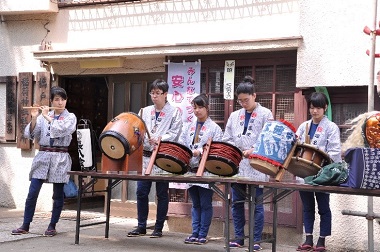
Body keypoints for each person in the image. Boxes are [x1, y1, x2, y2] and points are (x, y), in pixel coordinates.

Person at [11, 86, 77, 237]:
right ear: (52, 101)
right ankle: (25, 225)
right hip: (43, 156)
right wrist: (35, 117)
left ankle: (52, 225)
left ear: (66, 101)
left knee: (57, 194)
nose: (60, 102)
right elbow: (31, 134)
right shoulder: (42, 117)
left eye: (63, 99)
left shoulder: (70, 117)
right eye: (56, 99)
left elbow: (62, 129)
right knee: (32, 192)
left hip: (60, 157)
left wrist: (47, 116)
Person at [222, 76, 273, 250]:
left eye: (246, 100)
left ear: (254, 96)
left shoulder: (266, 114)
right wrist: (234, 150)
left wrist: (254, 149)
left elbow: (269, 138)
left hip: (257, 165)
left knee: (257, 204)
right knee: (236, 203)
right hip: (237, 165)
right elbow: (226, 138)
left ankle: (256, 239)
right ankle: (239, 237)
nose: (243, 103)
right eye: (240, 101)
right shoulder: (235, 115)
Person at [127, 79, 182, 238]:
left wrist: (160, 138)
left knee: (162, 193)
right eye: (152, 93)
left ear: (165, 94)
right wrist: (141, 136)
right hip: (145, 158)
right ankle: (141, 225)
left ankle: (158, 227)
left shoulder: (175, 112)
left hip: (162, 157)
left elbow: (175, 133)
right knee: (141, 192)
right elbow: (136, 130)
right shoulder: (144, 111)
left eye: (158, 93)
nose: (154, 96)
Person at [295, 92, 342, 252]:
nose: (314, 111)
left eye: (318, 108)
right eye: (312, 107)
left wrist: (318, 155)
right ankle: (308, 238)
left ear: (325, 108)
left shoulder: (331, 127)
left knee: (323, 207)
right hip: (304, 174)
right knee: (307, 207)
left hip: (323, 174)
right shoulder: (303, 126)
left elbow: (335, 152)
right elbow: (296, 147)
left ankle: (322, 240)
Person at [178, 94, 223, 245]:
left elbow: (218, 151)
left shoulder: (215, 128)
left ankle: (203, 234)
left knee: (205, 203)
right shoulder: (189, 126)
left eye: (200, 107)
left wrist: (201, 152)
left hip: (206, 170)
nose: (197, 110)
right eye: (194, 107)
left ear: (207, 108)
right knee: (195, 203)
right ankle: (194, 232)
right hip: (191, 169)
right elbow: (182, 144)